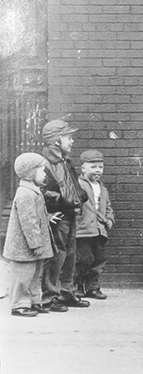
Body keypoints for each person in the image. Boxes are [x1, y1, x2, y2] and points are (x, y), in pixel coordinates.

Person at [41, 119, 89, 310]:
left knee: (69, 254)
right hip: (58, 216)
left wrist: (79, 196)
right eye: (69, 137)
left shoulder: (63, 161)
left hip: (68, 214)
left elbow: (70, 186)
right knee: (57, 256)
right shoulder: (46, 163)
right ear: (57, 140)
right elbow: (41, 191)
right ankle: (51, 297)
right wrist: (61, 201)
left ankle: (66, 293)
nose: (72, 141)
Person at [3, 153, 55, 317]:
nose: (45, 174)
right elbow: (29, 222)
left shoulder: (33, 191)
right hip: (24, 246)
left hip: (33, 245)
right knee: (22, 276)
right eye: (42, 171)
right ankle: (19, 304)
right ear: (31, 172)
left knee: (35, 275)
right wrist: (36, 243)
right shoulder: (25, 193)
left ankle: (34, 301)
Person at [75, 149, 115, 300]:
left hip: (99, 229)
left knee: (99, 259)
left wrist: (110, 219)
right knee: (82, 259)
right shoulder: (78, 185)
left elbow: (108, 206)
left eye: (100, 167)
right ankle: (77, 287)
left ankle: (93, 288)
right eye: (93, 167)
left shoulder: (102, 187)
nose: (98, 170)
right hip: (83, 230)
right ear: (83, 168)